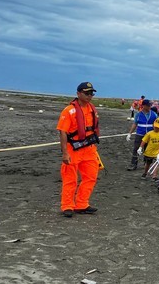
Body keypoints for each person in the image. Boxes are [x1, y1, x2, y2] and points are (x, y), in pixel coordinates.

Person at [56, 82, 101, 218]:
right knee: (70, 178)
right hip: (73, 148)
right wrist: (65, 152)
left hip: (89, 149)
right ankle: (67, 205)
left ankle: (82, 204)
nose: (89, 96)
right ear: (78, 93)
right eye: (86, 93)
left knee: (91, 177)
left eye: (91, 93)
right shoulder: (69, 111)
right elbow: (63, 132)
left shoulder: (92, 109)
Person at [126, 99, 157, 171]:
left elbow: (156, 124)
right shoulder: (138, 115)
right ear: (144, 106)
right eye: (148, 105)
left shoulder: (154, 114)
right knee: (136, 149)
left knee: (148, 150)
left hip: (150, 135)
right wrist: (129, 133)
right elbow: (135, 124)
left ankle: (146, 164)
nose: (150, 107)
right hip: (140, 134)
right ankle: (133, 164)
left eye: (150, 105)